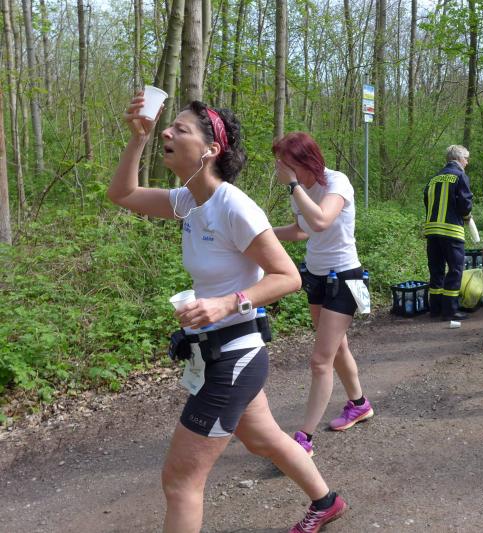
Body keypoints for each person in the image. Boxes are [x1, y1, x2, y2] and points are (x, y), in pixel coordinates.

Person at [107, 95, 346, 532]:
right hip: (217, 352)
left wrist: (224, 303)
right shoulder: (189, 201)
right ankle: (327, 502)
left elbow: (288, 277)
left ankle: (326, 501)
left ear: (210, 149)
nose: (167, 132)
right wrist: (138, 138)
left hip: (235, 356)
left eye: (180, 129)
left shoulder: (233, 205)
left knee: (180, 481)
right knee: (264, 439)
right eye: (169, 126)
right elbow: (122, 194)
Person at [272, 133, 374, 458]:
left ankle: (304, 437)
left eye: (285, 163)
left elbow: (320, 219)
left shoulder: (336, 182)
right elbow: (302, 230)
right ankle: (359, 404)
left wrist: (293, 185)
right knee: (337, 347)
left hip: (344, 277)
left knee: (320, 361)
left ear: (305, 161)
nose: (280, 168)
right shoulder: (300, 191)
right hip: (315, 277)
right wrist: (260, 234)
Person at [424, 145, 474, 321]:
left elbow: (427, 201)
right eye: (466, 159)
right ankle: (450, 310)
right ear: (459, 159)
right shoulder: (460, 176)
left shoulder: (434, 178)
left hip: (432, 230)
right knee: (455, 269)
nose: (467, 162)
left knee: (436, 269)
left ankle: (435, 308)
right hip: (451, 230)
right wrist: (467, 217)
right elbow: (465, 203)